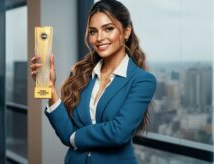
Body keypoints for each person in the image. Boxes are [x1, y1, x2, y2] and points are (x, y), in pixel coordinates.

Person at [30, 0, 156, 163]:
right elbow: (65, 132)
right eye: (93, 31)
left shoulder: (142, 81)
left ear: (126, 31)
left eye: (108, 29)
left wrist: (74, 137)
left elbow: (118, 132)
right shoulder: (80, 74)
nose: (99, 38)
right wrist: (51, 89)